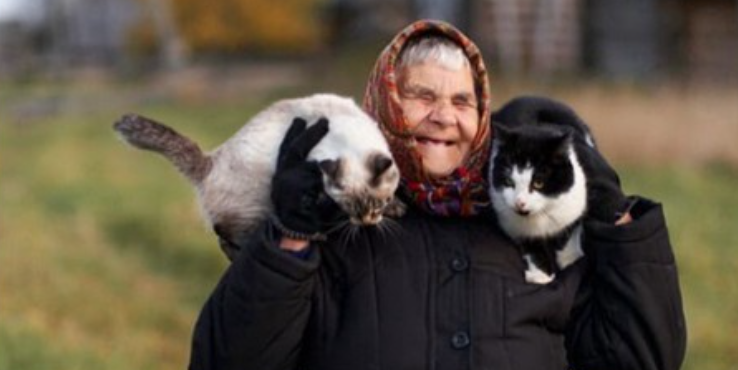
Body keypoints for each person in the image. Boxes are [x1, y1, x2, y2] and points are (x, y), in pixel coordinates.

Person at [188, 20, 686, 370]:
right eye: (422, 96)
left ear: (483, 116)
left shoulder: (533, 226)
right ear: (384, 104)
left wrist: (615, 216)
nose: (444, 116)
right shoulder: (335, 226)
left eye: (462, 101)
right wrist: (289, 239)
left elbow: (641, 360)